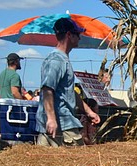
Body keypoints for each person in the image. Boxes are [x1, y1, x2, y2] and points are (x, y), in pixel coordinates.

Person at [37, 17, 100, 147]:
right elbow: (47, 90)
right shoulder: (56, 60)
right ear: (69, 35)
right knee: (78, 163)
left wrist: (89, 112)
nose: (80, 38)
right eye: (77, 34)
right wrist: (51, 119)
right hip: (61, 124)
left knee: (46, 164)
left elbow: (69, 92)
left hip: (57, 123)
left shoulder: (62, 60)